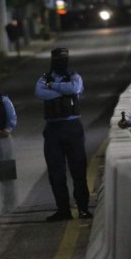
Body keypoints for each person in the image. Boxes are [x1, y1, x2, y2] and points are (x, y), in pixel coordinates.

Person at [34, 47, 92, 222]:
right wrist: (62, 90)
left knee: (78, 171)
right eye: (59, 59)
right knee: (55, 173)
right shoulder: (44, 78)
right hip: (53, 129)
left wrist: (54, 87)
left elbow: (75, 88)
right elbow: (39, 92)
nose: (62, 62)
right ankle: (63, 210)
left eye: (65, 58)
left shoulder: (74, 76)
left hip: (72, 127)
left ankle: (83, 208)